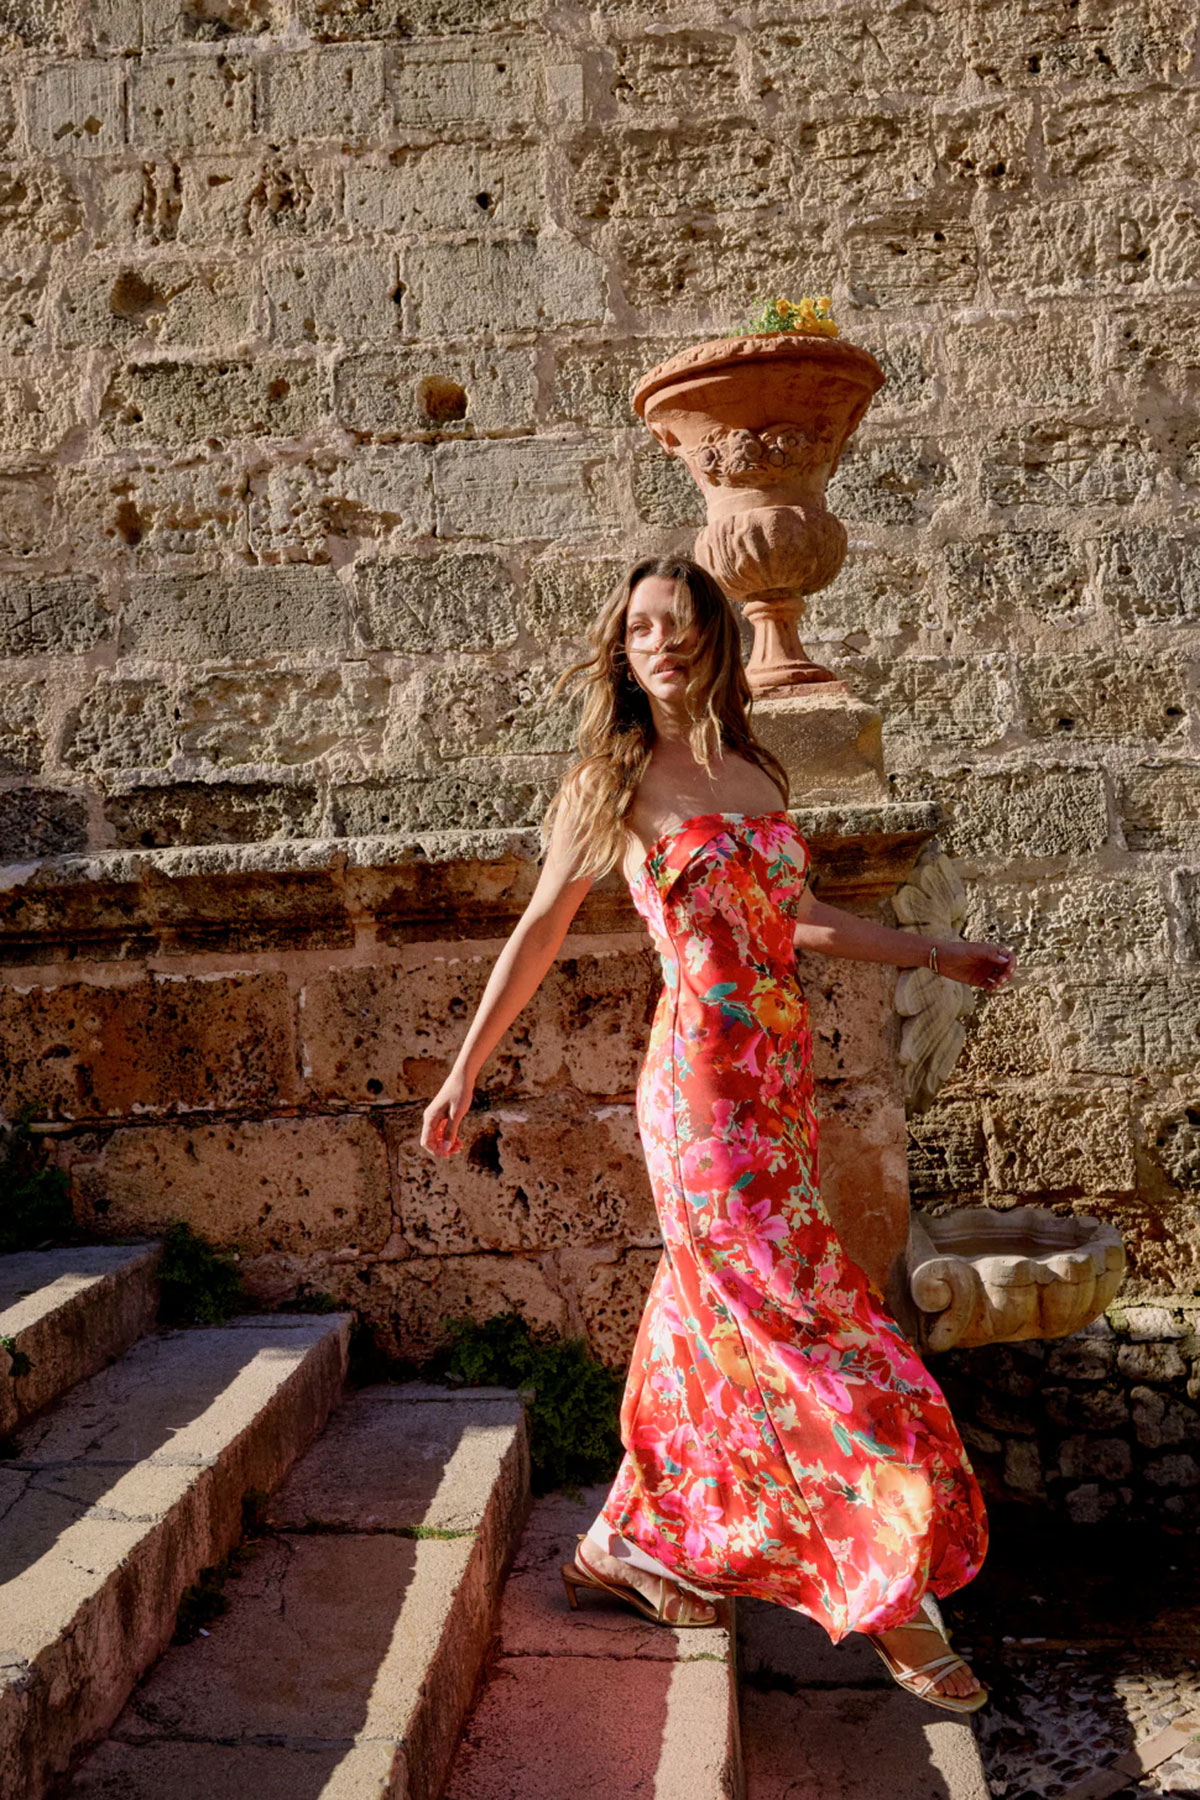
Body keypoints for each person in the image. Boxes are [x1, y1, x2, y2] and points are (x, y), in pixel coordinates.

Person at [422, 555, 1016, 1714]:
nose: (664, 643)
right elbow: (539, 934)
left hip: (775, 1097)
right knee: (813, 1325)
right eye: (642, 627)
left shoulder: (754, 769)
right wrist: (462, 1075)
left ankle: (626, 1546)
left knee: (711, 1323)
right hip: (698, 1103)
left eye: (683, 623)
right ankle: (893, 1607)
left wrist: (937, 953)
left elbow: (793, 923)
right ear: (621, 647)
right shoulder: (611, 779)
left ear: (713, 640)